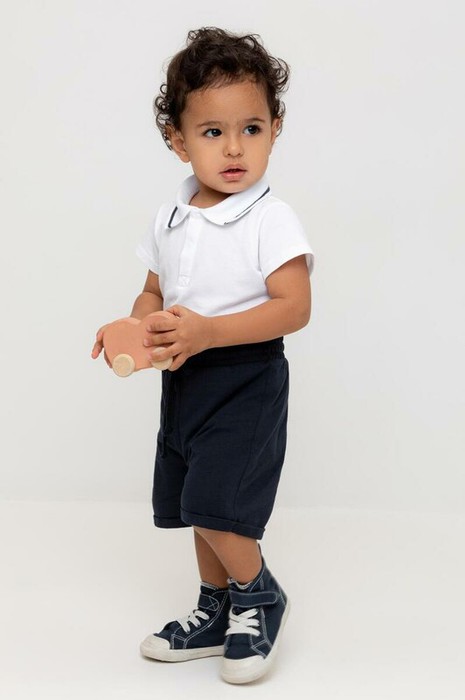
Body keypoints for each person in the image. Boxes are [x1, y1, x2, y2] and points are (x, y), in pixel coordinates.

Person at [92, 26, 314, 685]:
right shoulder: (171, 216)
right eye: (213, 132)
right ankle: (216, 607)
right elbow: (153, 291)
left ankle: (259, 595)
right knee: (196, 500)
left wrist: (211, 333)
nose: (235, 147)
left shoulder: (270, 218)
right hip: (186, 379)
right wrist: (134, 328)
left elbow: (294, 307)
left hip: (246, 377)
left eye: (252, 128)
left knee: (220, 501)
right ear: (178, 141)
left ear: (275, 129)